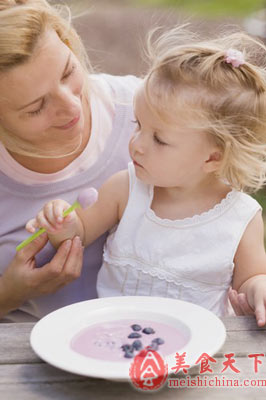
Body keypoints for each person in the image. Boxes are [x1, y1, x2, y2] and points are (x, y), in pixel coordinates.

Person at [27, 26, 266, 327]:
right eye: (138, 124)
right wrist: (62, 223)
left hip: (192, 353)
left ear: (213, 157)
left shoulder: (240, 217)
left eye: (159, 140)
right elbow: (80, 233)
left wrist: (259, 288)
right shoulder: (127, 189)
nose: (137, 144)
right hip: (116, 338)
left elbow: (252, 277)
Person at [0, 0, 141, 322]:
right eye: (36, 107)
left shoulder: (147, 112)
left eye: (68, 71)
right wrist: (10, 292)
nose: (72, 107)